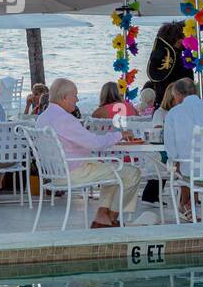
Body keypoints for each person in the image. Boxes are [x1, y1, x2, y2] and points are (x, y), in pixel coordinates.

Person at [37, 78, 149, 228]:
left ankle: (102, 215)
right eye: (75, 95)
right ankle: (112, 217)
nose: (77, 99)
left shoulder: (42, 118)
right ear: (64, 97)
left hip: (56, 174)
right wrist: (119, 135)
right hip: (74, 172)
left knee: (113, 171)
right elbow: (95, 144)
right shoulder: (65, 119)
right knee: (132, 173)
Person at [161, 77, 203, 219]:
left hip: (195, 176)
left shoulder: (174, 113)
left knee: (182, 165)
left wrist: (176, 163)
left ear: (178, 95)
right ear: (195, 92)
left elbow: (172, 151)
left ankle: (186, 206)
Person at [145, 21, 194, 107]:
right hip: (178, 106)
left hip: (160, 105)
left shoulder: (159, 57)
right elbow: (189, 87)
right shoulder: (182, 62)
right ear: (180, 40)